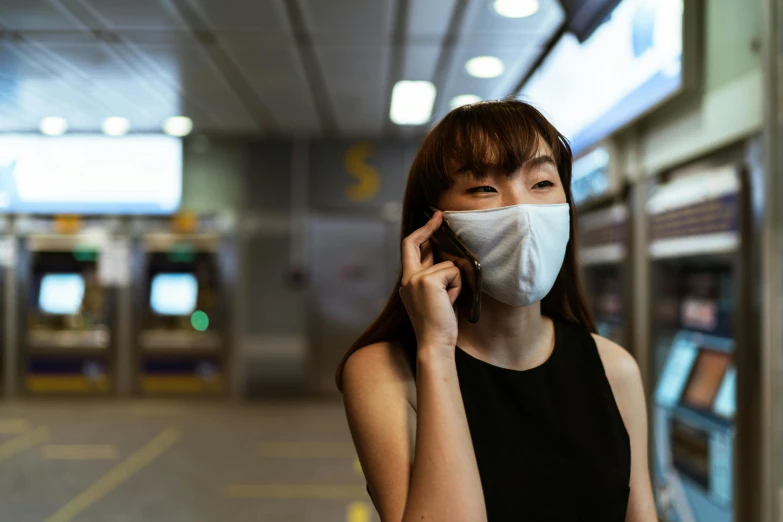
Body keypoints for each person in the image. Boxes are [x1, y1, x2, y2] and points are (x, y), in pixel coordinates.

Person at [335, 99, 656, 521]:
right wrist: (436, 348)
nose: (522, 210)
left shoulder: (614, 369)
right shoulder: (385, 372)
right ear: (434, 223)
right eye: (483, 188)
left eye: (542, 183)